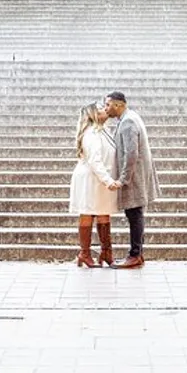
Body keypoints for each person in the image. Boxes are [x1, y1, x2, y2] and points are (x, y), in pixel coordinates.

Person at [104, 91, 160, 269]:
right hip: (136, 174)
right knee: (135, 214)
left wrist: (123, 179)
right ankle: (137, 254)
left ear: (119, 105)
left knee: (135, 214)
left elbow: (131, 153)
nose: (106, 109)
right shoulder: (129, 117)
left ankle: (135, 255)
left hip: (134, 176)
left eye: (108, 105)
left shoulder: (128, 121)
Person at [68, 102, 120, 267]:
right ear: (93, 115)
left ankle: (106, 252)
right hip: (90, 179)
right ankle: (84, 253)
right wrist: (108, 180)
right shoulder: (91, 133)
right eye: (100, 109)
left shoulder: (103, 131)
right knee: (87, 213)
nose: (105, 109)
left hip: (100, 178)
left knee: (104, 213)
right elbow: (95, 161)